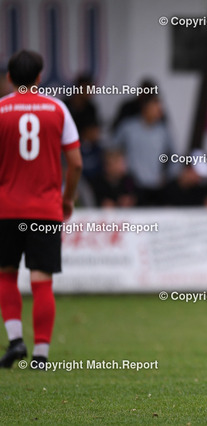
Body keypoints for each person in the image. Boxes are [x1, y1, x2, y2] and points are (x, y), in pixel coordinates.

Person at [0, 50, 82, 369]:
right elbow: (75, 163)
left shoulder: (1, 110)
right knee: (42, 280)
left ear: (9, 78)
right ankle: (41, 355)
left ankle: (16, 341)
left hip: (6, 209)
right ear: (39, 77)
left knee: (6, 274)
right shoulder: (57, 109)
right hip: (46, 209)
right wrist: (67, 199)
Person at [109, 93, 177, 206]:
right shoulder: (128, 128)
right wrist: (119, 171)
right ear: (145, 107)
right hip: (131, 186)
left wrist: (168, 176)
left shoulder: (163, 132)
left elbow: (174, 156)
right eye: (155, 107)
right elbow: (112, 150)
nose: (159, 111)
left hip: (156, 187)